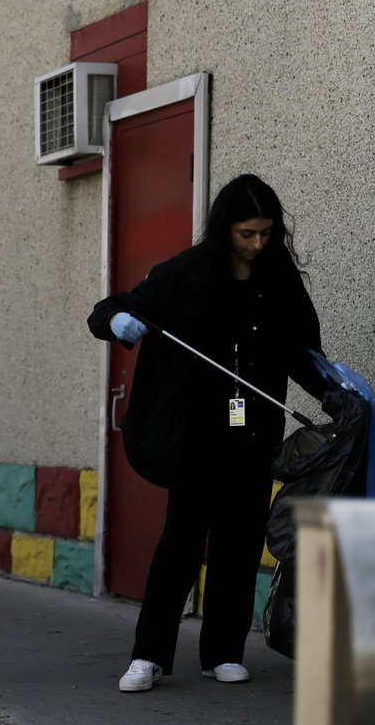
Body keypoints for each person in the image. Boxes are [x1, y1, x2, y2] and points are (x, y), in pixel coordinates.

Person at [87, 173, 329, 692]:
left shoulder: (280, 281)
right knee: (181, 540)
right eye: (247, 234)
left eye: (266, 233)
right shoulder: (186, 273)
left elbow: (303, 353)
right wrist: (118, 322)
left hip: (254, 432)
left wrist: (338, 393)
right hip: (196, 434)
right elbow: (109, 309)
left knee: (240, 545)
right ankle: (148, 654)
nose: (258, 244)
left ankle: (223, 651)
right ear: (225, 230)